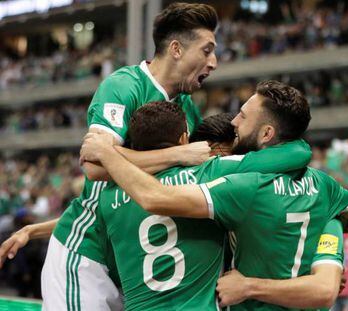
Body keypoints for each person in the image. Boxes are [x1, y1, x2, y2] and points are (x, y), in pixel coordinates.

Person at [81, 80, 348, 310]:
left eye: (243, 115)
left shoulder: (241, 186)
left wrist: (108, 154)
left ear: (266, 134)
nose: (234, 121)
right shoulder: (324, 188)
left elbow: (152, 198)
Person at [1, 3, 219, 310]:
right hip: (86, 257)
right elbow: (94, 167)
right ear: (176, 49)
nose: (214, 62)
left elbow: (119, 194)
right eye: (207, 50)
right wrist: (178, 154)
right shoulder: (124, 86)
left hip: (130, 264)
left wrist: (35, 229)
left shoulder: (188, 110)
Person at [96, 100, 313, 310]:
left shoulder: (108, 195)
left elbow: (111, 267)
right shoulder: (208, 173)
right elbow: (297, 153)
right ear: (184, 139)